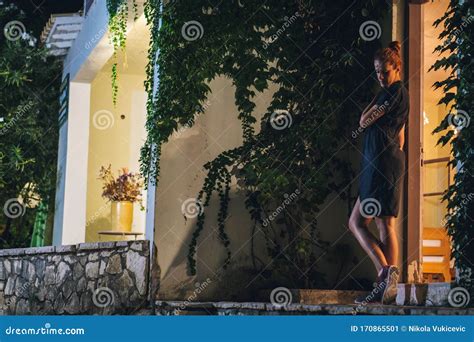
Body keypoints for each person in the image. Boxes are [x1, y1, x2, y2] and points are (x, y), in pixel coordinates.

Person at [348, 41, 409, 305]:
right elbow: (402, 138)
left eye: (384, 71)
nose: (380, 77)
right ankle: (387, 285)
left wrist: (375, 97)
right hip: (389, 162)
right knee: (385, 224)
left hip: (379, 164)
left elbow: (364, 121)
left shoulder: (389, 94)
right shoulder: (402, 95)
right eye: (377, 73)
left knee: (356, 223)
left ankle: (385, 272)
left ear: (396, 68)